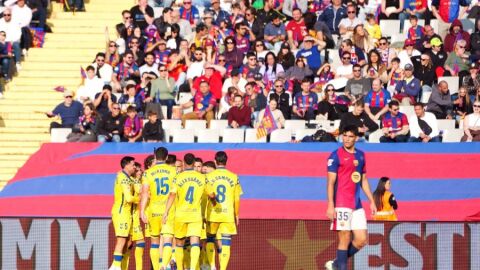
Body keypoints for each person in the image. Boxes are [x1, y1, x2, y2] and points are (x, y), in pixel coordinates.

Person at [325, 125, 376, 270]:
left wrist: (371, 201)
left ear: (356, 138)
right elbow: (330, 182)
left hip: (357, 204)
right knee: (345, 237)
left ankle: (336, 263)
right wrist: (330, 205)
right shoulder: (335, 156)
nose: (346, 139)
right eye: (344, 136)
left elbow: (363, 180)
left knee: (361, 240)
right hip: (341, 203)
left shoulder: (361, 155)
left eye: (350, 136)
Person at [163, 153, 207, 270]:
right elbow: (211, 193)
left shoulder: (178, 177)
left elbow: (172, 194)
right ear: (194, 162)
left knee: (179, 244)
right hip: (195, 214)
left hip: (180, 215)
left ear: (183, 162)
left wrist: (166, 211)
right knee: (195, 242)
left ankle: (180, 267)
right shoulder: (202, 177)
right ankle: (193, 268)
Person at [140, 147, 177, 270]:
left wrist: (142, 211)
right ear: (167, 157)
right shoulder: (173, 171)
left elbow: (145, 193)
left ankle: (156, 268)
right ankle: (164, 265)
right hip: (169, 209)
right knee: (168, 240)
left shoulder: (147, 173)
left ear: (155, 157)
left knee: (154, 242)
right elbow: (174, 192)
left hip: (153, 210)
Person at [205, 151, 242, 270]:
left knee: (210, 238)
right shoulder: (234, 177)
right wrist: (236, 215)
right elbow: (236, 198)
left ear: (215, 161)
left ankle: (212, 266)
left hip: (213, 213)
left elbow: (207, 195)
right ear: (226, 161)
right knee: (226, 243)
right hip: (228, 215)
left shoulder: (209, 176)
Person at [109, 156, 138, 270]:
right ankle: (115, 267)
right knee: (121, 240)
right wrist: (141, 198)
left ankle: (119, 266)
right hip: (121, 213)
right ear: (126, 165)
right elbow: (129, 198)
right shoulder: (123, 178)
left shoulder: (128, 178)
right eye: (133, 165)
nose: (134, 167)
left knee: (128, 242)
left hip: (127, 214)